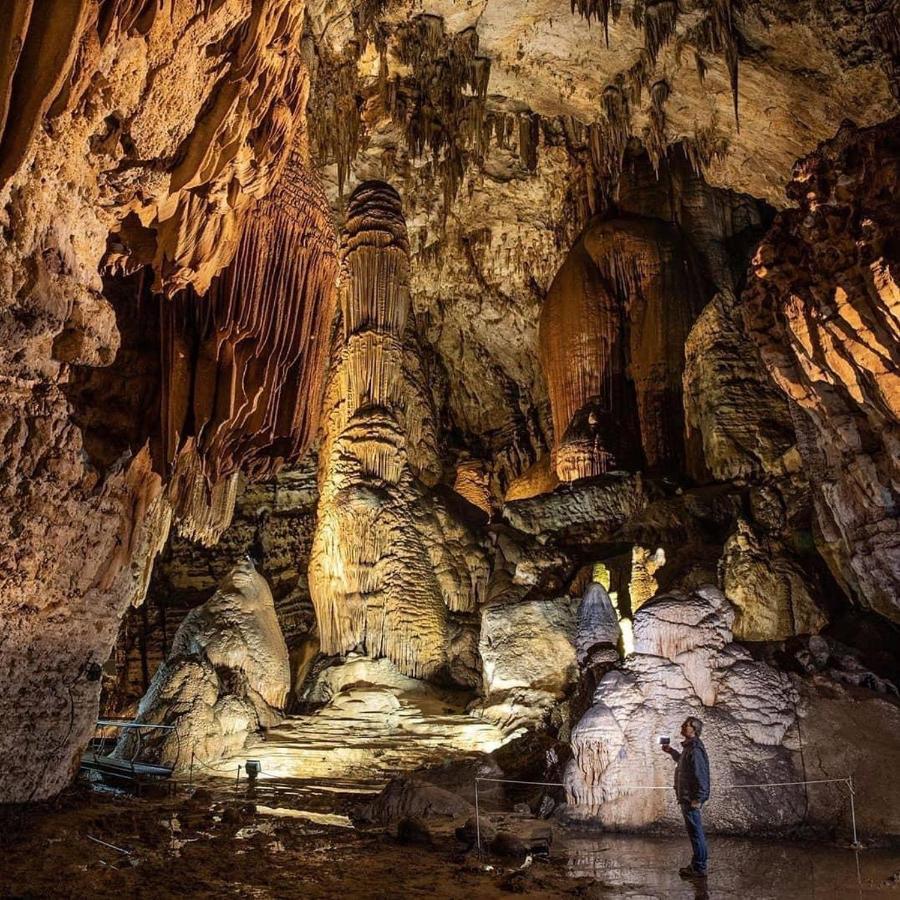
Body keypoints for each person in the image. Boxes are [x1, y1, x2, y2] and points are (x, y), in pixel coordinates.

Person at [662, 716, 710, 879]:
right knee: (694, 833)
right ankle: (697, 865)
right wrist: (671, 751)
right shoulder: (689, 748)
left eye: (686, 725)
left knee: (696, 833)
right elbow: (683, 763)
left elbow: (701, 775)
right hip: (687, 797)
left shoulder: (695, 749)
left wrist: (700, 798)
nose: (682, 726)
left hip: (691, 799)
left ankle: (700, 867)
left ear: (694, 730)